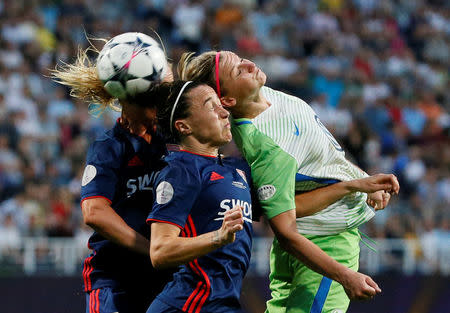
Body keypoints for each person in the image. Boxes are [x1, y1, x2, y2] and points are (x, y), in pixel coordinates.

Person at [178, 50, 400, 313]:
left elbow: (325, 155)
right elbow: (284, 229)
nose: (249, 64)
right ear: (228, 99)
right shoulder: (268, 145)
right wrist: (344, 275)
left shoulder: (263, 95)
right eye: (238, 71)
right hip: (324, 244)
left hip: (308, 244)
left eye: (240, 60)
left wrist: (363, 180)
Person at [52, 46, 174, 313]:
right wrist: (152, 249)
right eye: (152, 94)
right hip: (114, 276)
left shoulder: (175, 138)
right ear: (127, 97)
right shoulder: (109, 147)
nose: (161, 99)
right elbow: (94, 212)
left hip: (166, 277)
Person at [146, 80, 257, 313]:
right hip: (187, 305)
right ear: (184, 126)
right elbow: (160, 250)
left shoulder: (236, 169)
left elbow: (284, 210)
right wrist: (218, 237)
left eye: (221, 105)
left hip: (222, 303)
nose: (224, 112)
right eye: (211, 107)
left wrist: (347, 187)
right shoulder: (181, 171)